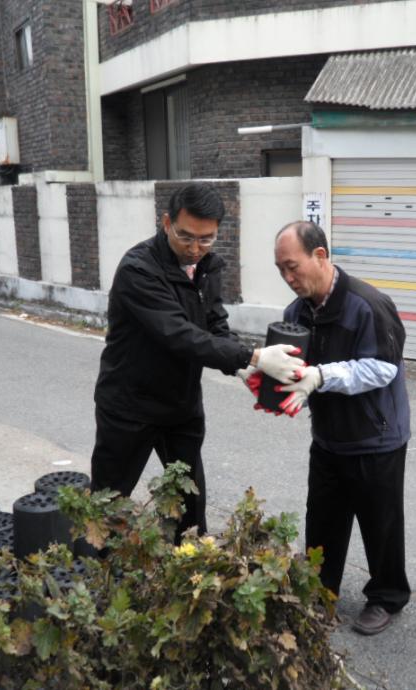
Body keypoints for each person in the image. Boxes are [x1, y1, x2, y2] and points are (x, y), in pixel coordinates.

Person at [91, 182, 304, 535]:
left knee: (190, 504)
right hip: (129, 406)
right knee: (107, 503)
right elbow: (179, 335)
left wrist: (246, 368)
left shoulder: (207, 266)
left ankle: (185, 574)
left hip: (180, 404)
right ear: (166, 223)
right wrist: (253, 355)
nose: (195, 249)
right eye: (185, 237)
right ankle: (95, 574)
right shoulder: (138, 270)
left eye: (206, 239)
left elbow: (213, 323)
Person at [265, 220, 412, 635]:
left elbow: (382, 367)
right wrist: (276, 390)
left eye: (292, 267)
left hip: (376, 438)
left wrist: (321, 377)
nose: (288, 278)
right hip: (328, 438)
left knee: (380, 523)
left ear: (321, 256)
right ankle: (320, 592)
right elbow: (294, 370)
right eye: (280, 270)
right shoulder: (296, 314)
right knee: (323, 522)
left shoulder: (368, 305)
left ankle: (387, 596)